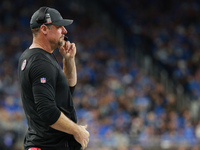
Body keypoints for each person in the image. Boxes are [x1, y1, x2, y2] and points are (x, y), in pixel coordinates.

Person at [18, 6, 89, 150]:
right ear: (44, 29)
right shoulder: (40, 62)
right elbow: (47, 111)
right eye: (59, 27)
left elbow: (65, 93)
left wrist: (68, 60)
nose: (65, 31)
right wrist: (77, 131)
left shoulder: (35, 56)